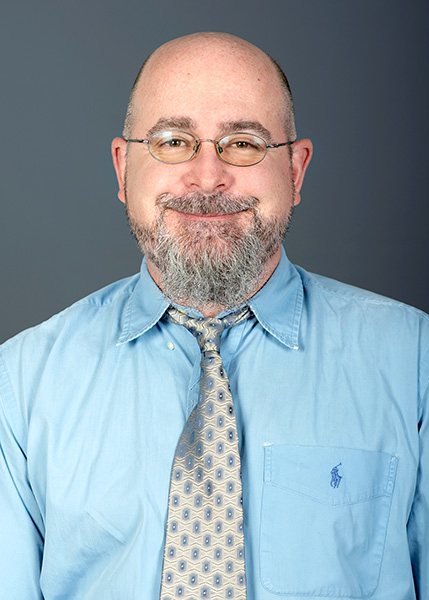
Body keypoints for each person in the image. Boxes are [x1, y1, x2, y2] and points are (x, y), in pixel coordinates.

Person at [0, 32, 427, 600]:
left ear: (295, 170)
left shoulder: (414, 363)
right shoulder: (19, 385)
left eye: (244, 144)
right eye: (173, 142)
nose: (207, 177)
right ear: (124, 168)